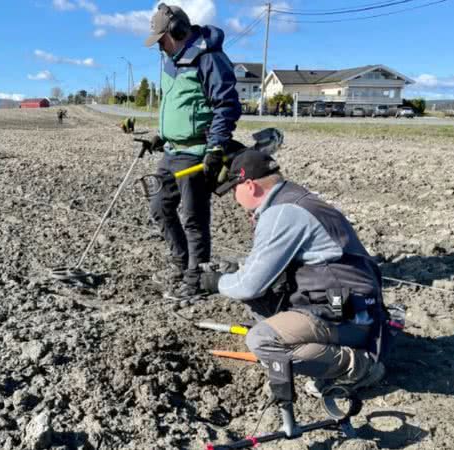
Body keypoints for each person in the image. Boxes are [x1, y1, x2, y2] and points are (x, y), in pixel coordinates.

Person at [199, 150, 389, 396]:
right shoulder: (295, 199)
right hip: (352, 305)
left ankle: (357, 366)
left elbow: (249, 285)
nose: (235, 198)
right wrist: (235, 270)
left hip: (346, 313)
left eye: (234, 189)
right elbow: (262, 268)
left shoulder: (282, 213)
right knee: (259, 297)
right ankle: (320, 349)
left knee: (262, 341)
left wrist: (216, 282)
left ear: (249, 185)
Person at [142, 3, 242, 297]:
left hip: (196, 152)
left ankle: (198, 278)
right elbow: (179, 105)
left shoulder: (209, 59)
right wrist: (160, 135)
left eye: (162, 39)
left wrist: (216, 148)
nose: (160, 46)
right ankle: (182, 263)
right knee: (159, 207)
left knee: (194, 218)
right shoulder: (171, 62)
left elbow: (226, 105)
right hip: (172, 151)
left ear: (177, 31)